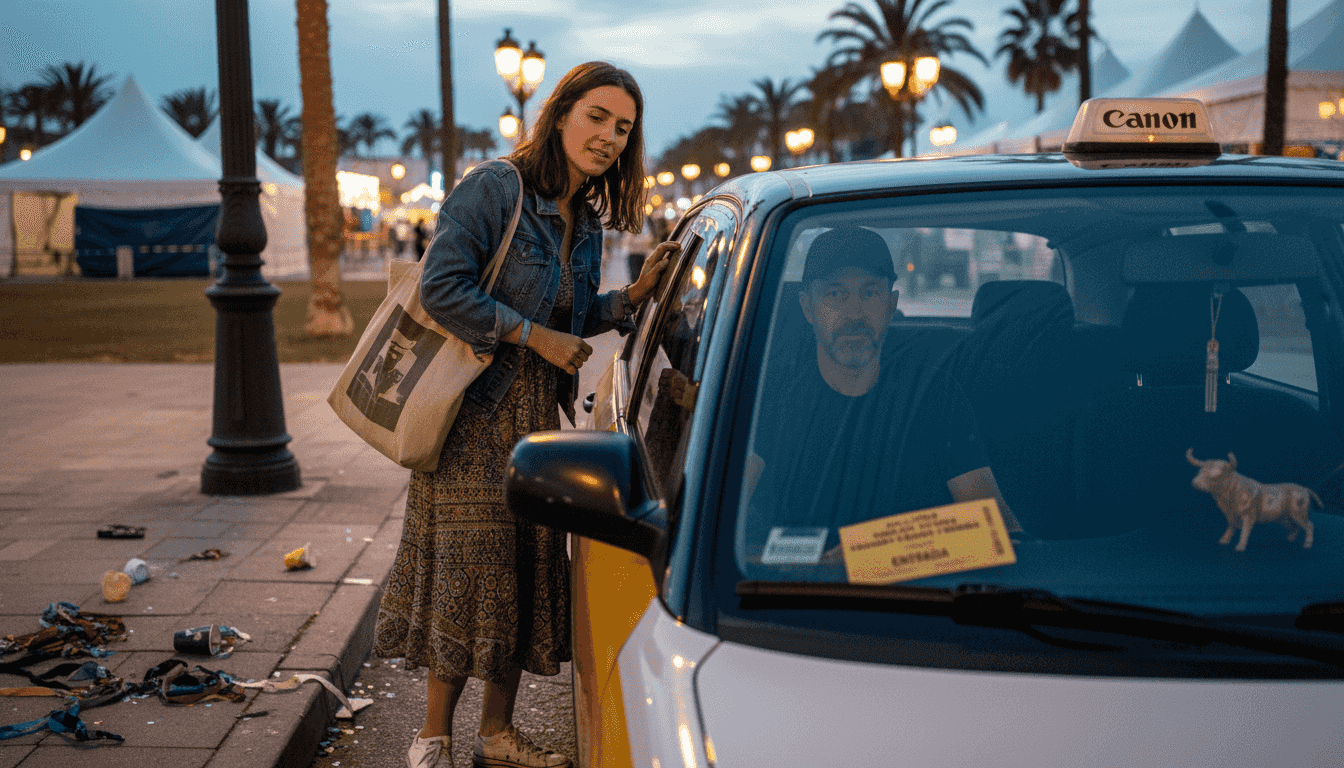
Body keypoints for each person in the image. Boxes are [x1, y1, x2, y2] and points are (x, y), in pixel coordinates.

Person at [372, 61, 679, 768]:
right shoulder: (494, 188)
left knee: (517, 570)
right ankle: (432, 737)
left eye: (622, 128)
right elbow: (444, 287)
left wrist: (630, 299)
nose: (607, 136)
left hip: (536, 416)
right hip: (472, 416)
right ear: (561, 112)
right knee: (470, 570)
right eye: (596, 116)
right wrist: (532, 336)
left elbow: (567, 314)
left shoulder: (588, 222)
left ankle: (498, 735)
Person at [746, 226, 1015, 568]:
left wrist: (872, 554)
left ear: (891, 306)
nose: (854, 314)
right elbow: (717, 530)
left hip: (906, 604)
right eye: (835, 294)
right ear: (808, 308)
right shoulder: (772, 401)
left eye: (870, 292)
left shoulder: (934, 394)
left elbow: (998, 529)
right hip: (785, 604)